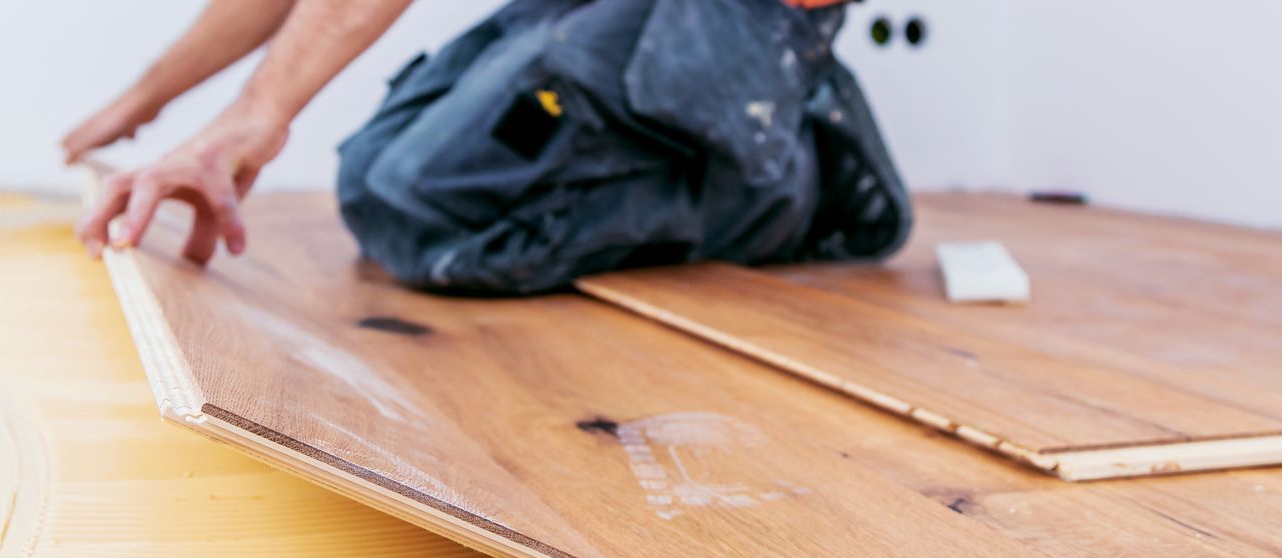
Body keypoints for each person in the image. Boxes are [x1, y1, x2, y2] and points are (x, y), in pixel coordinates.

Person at [69, 0, 911, 295]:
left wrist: (259, 113)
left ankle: (793, 183)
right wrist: (148, 100)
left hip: (746, 10)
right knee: (373, 178)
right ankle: (737, 137)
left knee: (418, 208)